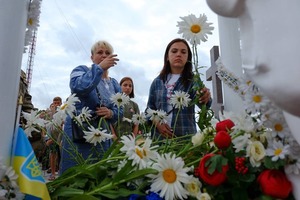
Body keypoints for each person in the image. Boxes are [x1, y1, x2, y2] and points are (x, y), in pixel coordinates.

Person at [60, 40, 122, 174]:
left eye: (108, 53)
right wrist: (99, 69)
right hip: (80, 135)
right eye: (100, 52)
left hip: (102, 135)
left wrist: (111, 113)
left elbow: (121, 109)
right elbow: (78, 86)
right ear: (92, 57)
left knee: (98, 172)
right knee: (76, 171)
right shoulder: (80, 71)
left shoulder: (115, 84)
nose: (104, 55)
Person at [146, 38, 212, 139]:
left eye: (183, 52)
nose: (178, 54)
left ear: (188, 58)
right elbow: (149, 109)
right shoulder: (157, 82)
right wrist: (157, 123)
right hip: (159, 140)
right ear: (167, 56)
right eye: (174, 51)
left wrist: (205, 96)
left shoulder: (193, 81)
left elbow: (204, 103)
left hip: (185, 139)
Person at [45, 97, 62, 181]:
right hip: (52, 137)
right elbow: (46, 124)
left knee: (62, 155)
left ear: (60, 103)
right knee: (52, 154)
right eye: (54, 103)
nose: (56, 105)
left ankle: (61, 171)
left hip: (61, 137)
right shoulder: (49, 112)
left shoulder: (63, 112)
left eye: (57, 103)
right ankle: (52, 173)